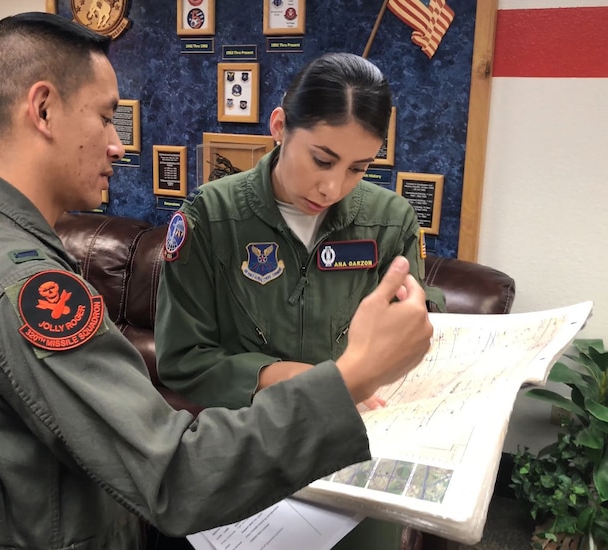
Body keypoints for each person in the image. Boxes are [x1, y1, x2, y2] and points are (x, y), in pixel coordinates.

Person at [0, 13, 434, 550]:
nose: (119, 146)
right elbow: (176, 474)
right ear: (43, 109)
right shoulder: (26, 287)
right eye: (105, 117)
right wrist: (346, 379)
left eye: (357, 168)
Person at [155, 52, 446, 546]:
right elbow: (182, 357)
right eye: (322, 159)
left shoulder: (391, 219)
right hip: (251, 454)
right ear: (279, 126)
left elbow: (407, 330)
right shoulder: (210, 218)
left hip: (353, 462)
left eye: (359, 167)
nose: (332, 187)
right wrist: (284, 376)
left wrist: (416, 323)